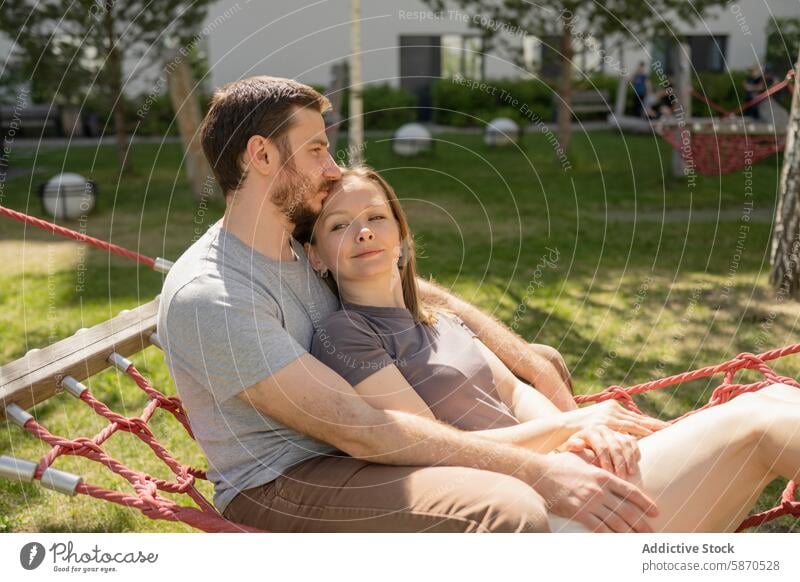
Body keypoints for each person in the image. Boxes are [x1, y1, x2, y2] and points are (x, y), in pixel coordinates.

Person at [158, 75, 661, 533]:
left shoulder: (293, 243)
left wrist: (533, 364)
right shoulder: (214, 295)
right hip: (283, 481)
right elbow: (361, 427)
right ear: (262, 156)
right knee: (506, 509)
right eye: (316, 150)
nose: (332, 169)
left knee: (540, 365)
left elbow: (414, 287)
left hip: (353, 448)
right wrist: (542, 469)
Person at [297, 163, 800, 533]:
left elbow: (516, 395)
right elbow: (425, 450)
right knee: (755, 418)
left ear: (402, 236)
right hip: (535, 517)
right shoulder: (345, 334)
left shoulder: (440, 320)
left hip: (572, 480)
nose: (363, 231)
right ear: (316, 256)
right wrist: (573, 424)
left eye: (375, 217)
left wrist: (581, 441)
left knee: (769, 402)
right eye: (339, 226)